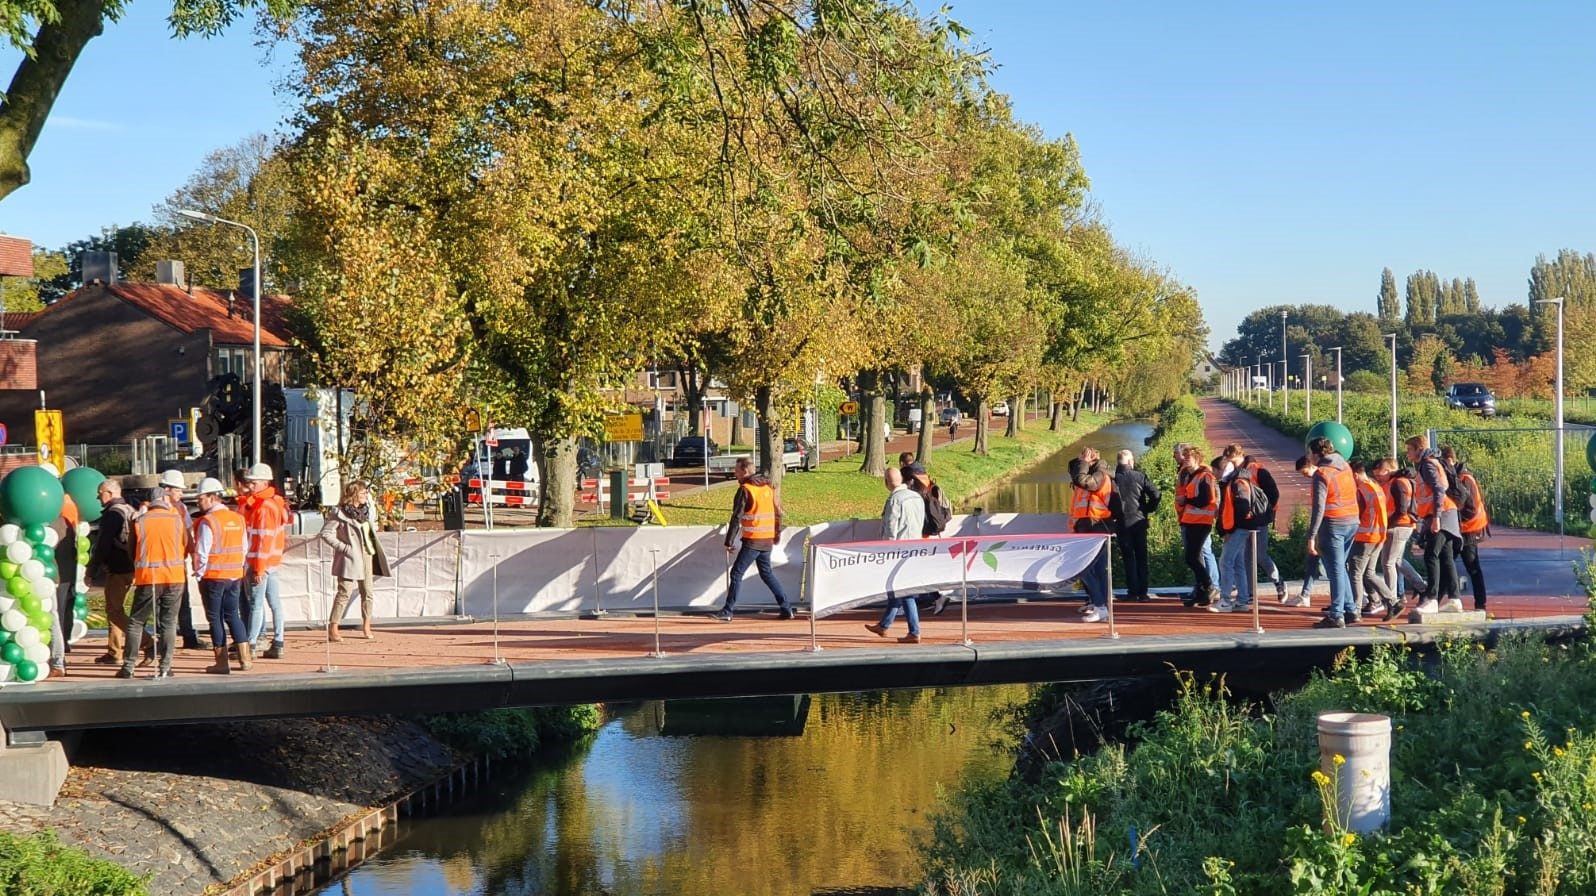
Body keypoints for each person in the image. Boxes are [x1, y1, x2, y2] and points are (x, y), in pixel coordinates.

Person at [118, 488, 188, 679]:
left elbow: (131, 550)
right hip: (174, 576)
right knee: (168, 622)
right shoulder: (177, 519)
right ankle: (166, 666)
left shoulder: (140, 521)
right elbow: (186, 544)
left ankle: (128, 666)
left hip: (149, 577)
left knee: (136, 621)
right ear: (165, 500)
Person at [718, 457, 796, 621]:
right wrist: (775, 535)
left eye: (737, 470)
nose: (735, 472)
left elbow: (736, 517)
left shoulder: (745, 490)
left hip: (753, 540)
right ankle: (786, 608)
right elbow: (777, 512)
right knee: (767, 573)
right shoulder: (767, 487)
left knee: (736, 573)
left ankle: (727, 611)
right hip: (766, 539)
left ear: (745, 471)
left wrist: (729, 541)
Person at [191, 478, 251, 673]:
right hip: (234, 576)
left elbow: (202, 551)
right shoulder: (237, 518)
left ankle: (221, 662)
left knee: (215, 618)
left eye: (201, 498)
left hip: (213, 576)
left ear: (212, 497)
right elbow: (244, 548)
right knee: (233, 615)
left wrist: (199, 574)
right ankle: (245, 659)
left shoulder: (209, 521)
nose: (198, 502)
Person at [864, 467, 926, 643]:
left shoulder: (895, 500)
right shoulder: (917, 497)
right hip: (916, 548)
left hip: (898, 550)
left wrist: (884, 550)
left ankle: (914, 631)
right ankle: (884, 625)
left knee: (904, 591)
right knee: (896, 589)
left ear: (886, 482)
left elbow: (891, 528)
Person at [321, 481, 388, 640]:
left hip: (367, 553)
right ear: (354, 495)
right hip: (350, 557)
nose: (366, 496)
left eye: (366, 493)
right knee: (345, 592)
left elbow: (372, 528)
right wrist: (345, 548)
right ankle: (333, 627)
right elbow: (326, 533)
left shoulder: (367, 511)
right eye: (363, 493)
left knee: (368, 591)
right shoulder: (339, 513)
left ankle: (366, 625)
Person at [89, 478, 145, 668]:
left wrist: (92, 569)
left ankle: (148, 642)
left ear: (110, 493)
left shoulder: (112, 514)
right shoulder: (129, 510)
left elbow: (103, 545)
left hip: (118, 568)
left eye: (100, 493)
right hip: (131, 566)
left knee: (114, 611)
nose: (98, 497)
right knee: (115, 608)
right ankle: (115, 651)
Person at [1304, 437, 1359, 629]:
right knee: (1339, 566)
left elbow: (1318, 508)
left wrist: (1311, 536)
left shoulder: (1322, 474)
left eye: (1309, 453)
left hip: (1333, 523)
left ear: (1317, 453)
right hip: (1352, 520)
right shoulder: (1344, 466)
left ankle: (1337, 615)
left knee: (1334, 569)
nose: (1308, 457)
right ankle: (1350, 609)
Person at [1406, 434, 1463, 614]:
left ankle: (1431, 598)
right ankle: (1454, 599)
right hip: (1446, 512)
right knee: (1446, 557)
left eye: (1409, 450)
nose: (1407, 454)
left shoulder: (1427, 464)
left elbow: (1439, 488)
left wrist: (1436, 517)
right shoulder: (1431, 462)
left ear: (1418, 449)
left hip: (1441, 514)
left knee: (1431, 555)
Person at [1221, 444, 1286, 602]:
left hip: (1259, 520)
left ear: (1240, 455)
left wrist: (1263, 512)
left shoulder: (1258, 470)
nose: (1232, 463)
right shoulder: (1234, 474)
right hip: (1243, 522)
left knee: (1260, 555)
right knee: (1245, 557)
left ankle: (1278, 582)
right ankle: (1249, 592)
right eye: (1229, 460)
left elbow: (1274, 494)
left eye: (1233, 459)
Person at [241, 463, 292, 657]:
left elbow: (263, 540)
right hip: (272, 562)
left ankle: (251, 645)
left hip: (261, 563)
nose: (250, 486)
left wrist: (258, 569)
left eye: (253, 483)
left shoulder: (263, 507)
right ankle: (278, 642)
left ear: (264, 482)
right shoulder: (274, 503)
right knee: (274, 603)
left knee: (257, 604)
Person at [155, 470, 204, 650]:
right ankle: (163, 639)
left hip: (175, 562)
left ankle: (188, 636)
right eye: (178, 490)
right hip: (160, 562)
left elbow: (187, 535)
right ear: (167, 489)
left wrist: (192, 555)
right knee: (161, 603)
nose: (181, 494)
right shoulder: (153, 508)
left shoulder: (181, 508)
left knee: (183, 601)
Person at [1069, 447, 1119, 623]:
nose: (1079, 464)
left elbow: (1085, 482)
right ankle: (1102, 605)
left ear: (1091, 460)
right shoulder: (1090, 475)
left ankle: (1100, 605)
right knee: (1097, 569)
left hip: (1097, 526)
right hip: (1087, 527)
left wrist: (1083, 463)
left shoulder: (1098, 476)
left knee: (1084, 568)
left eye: (1083, 459)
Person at [1372, 457, 1428, 604]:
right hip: (1400, 525)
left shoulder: (1398, 483)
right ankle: (1421, 587)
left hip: (1399, 525)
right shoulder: (1393, 482)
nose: (1378, 477)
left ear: (1389, 470)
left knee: (1388, 563)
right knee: (1396, 561)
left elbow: (1401, 509)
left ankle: (1391, 599)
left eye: (1380, 474)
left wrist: (1387, 524)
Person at [1440, 445, 1489, 610]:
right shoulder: (1456, 477)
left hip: (1468, 529)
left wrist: (1455, 521)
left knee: (1472, 567)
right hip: (1459, 529)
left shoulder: (1464, 479)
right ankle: (1435, 600)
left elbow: (1470, 508)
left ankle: (1480, 604)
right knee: (1446, 563)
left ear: (1449, 461)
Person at [1349, 460, 1399, 621]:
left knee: (1355, 573)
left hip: (1365, 536)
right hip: (1379, 534)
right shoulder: (1375, 486)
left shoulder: (1361, 490)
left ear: (1355, 474)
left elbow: (1357, 514)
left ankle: (1355, 610)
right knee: (1369, 573)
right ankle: (1393, 601)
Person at [1213, 455, 1260, 613]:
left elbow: (1240, 508)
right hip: (1239, 527)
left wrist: (1229, 530)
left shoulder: (1237, 482)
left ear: (1221, 470)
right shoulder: (1233, 481)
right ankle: (1242, 600)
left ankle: (1226, 599)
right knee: (1238, 563)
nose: (1214, 475)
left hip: (1239, 528)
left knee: (1225, 561)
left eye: (1215, 471)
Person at [1112, 448, 1159, 603]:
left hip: (1121, 522)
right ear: (1131, 461)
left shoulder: (1113, 479)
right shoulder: (1139, 476)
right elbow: (1156, 494)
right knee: (1141, 557)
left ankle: (1132, 591)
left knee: (1128, 558)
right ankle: (1143, 592)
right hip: (1139, 521)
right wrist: (1148, 508)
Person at [1173, 442, 1221, 594]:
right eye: (1184, 457)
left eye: (1188, 457)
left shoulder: (1205, 475)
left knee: (1201, 553)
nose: (1185, 459)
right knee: (1192, 556)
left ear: (1196, 458)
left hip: (1201, 521)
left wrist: (1186, 500)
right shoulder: (1188, 474)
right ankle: (1202, 588)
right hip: (1189, 519)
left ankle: (1211, 585)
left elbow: (1206, 499)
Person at [1286, 455, 1324, 608]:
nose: (1304, 476)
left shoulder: (1322, 478)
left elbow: (1320, 508)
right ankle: (1305, 593)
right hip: (1322, 525)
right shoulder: (1316, 480)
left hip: (1329, 526)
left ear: (1311, 465)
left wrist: (1313, 533)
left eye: (1304, 472)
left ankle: (1366, 596)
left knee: (1339, 565)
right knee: (1313, 559)